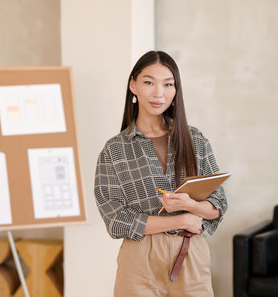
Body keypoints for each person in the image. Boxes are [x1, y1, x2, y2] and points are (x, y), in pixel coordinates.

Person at [94, 50, 227, 297]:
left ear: (176, 91)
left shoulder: (195, 140)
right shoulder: (115, 149)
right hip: (139, 258)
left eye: (168, 84)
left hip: (191, 254)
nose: (159, 93)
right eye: (149, 82)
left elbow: (218, 207)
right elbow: (115, 220)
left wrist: (189, 204)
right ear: (133, 85)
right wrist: (181, 219)